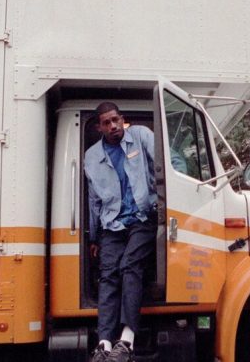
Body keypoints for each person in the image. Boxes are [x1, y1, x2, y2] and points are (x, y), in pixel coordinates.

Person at [85, 102, 157, 362]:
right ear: (99, 127)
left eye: (115, 120)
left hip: (143, 218)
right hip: (112, 224)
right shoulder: (92, 156)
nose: (113, 126)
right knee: (108, 275)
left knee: (129, 266)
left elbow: (168, 162)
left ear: (122, 119)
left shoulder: (140, 136)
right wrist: (93, 237)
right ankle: (103, 344)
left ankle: (126, 340)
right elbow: (94, 199)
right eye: (106, 123)